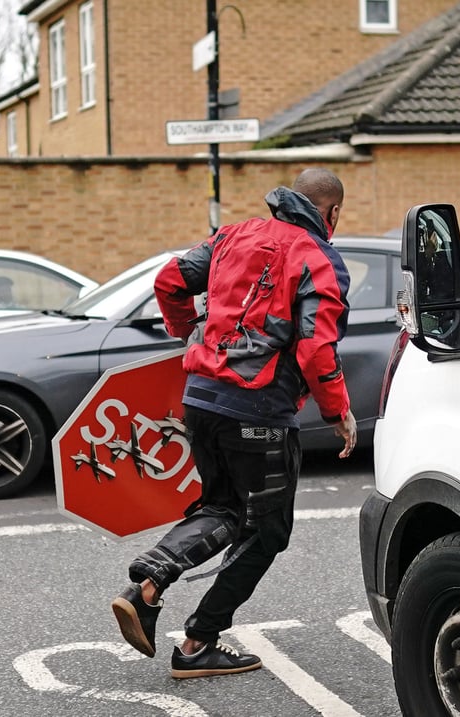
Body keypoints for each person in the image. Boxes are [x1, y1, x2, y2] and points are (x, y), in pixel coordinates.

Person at [111, 167, 357, 679]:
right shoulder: (319, 257)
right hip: (259, 409)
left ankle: (149, 585)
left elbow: (171, 282)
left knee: (224, 507)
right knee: (267, 532)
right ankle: (200, 639)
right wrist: (338, 411)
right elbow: (316, 348)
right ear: (331, 213)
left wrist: (189, 336)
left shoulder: (232, 235)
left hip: (201, 399)